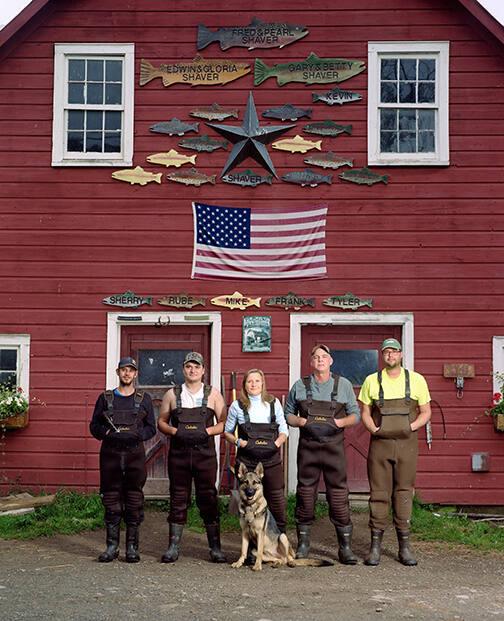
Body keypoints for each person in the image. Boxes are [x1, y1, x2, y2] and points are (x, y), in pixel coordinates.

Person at [358, 338, 432, 566]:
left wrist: (410, 427)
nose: (390, 355)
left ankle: (404, 547)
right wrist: (372, 428)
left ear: (401, 354)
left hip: (407, 444)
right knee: (378, 493)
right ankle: (375, 547)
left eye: (394, 352)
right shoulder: (371, 380)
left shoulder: (417, 380)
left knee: (403, 493)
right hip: (380, 445)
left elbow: (426, 412)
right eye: (386, 352)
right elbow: (365, 411)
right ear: (382, 355)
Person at [285, 344, 361, 564]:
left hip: (333, 449)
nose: (320, 360)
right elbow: (288, 413)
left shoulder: (343, 385)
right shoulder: (300, 385)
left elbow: (355, 414)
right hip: (308, 448)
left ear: (330, 361)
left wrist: (339, 422)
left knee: (338, 495)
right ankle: (303, 545)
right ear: (311, 362)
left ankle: (344, 548)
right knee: (305, 494)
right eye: (316, 356)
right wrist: (299, 421)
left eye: (324, 357)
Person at [158, 351, 226, 563]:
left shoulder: (213, 394)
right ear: (183, 369)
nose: (193, 370)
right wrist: (175, 432)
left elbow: (225, 423)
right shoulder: (172, 394)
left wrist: (207, 432)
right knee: (178, 498)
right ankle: (173, 547)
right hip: (179, 456)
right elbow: (161, 422)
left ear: (203, 370)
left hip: (204, 456)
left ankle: (215, 548)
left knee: (208, 497)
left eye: (197, 366)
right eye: (189, 366)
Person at [89, 356, 156, 563]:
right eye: (123, 370)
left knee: (134, 499)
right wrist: (107, 434)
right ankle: (111, 546)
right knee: (111, 499)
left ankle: (132, 548)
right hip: (110, 455)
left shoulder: (144, 399)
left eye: (131, 370)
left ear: (135, 374)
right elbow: (94, 426)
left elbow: (151, 428)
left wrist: (138, 436)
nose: (127, 374)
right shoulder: (105, 398)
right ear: (117, 373)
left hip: (135, 455)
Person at [224, 369, 288, 534]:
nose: (253, 384)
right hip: (247, 463)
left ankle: (280, 539)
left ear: (262, 383)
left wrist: (277, 443)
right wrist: (240, 442)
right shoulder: (237, 406)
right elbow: (227, 433)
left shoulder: (273, 403)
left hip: (271, 460)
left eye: (257, 381)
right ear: (244, 385)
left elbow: (284, 431)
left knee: (277, 500)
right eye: (249, 381)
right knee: (249, 503)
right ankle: (252, 547)